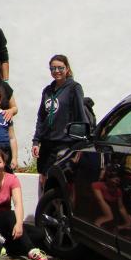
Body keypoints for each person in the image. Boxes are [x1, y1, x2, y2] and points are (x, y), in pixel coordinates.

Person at [0, 147, 50, 260]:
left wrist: (19, 224)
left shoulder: (12, 179)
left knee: (40, 234)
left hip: (8, 225)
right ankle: (31, 251)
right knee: (9, 215)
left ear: (4, 162)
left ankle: (5, 246)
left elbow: (18, 204)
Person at [32, 54, 87, 189]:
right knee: (43, 178)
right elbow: (41, 116)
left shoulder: (74, 88)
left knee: (59, 180)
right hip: (47, 142)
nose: (56, 71)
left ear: (67, 69)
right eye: (53, 68)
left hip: (64, 143)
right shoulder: (47, 90)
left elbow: (80, 115)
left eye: (60, 68)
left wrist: (79, 145)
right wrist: (36, 141)